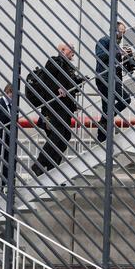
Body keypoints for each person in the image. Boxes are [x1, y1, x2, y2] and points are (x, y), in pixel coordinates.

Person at [30, 42, 86, 175]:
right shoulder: (54, 61)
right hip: (55, 106)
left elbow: (67, 83)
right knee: (58, 134)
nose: (73, 52)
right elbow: (46, 80)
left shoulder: (67, 66)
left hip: (65, 107)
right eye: (71, 49)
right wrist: (57, 88)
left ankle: (52, 167)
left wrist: (79, 81)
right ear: (62, 50)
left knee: (65, 135)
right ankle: (40, 163)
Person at [94, 22, 135, 143]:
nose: (122, 34)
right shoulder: (104, 41)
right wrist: (118, 52)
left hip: (113, 78)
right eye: (120, 31)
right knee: (125, 99)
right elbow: (100, 56)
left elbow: (118, 65)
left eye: (124, 32)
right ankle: (104, 121)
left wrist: (129, 60)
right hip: (105, 77)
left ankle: (102, 140)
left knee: (107, 108)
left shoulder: (117, 45)